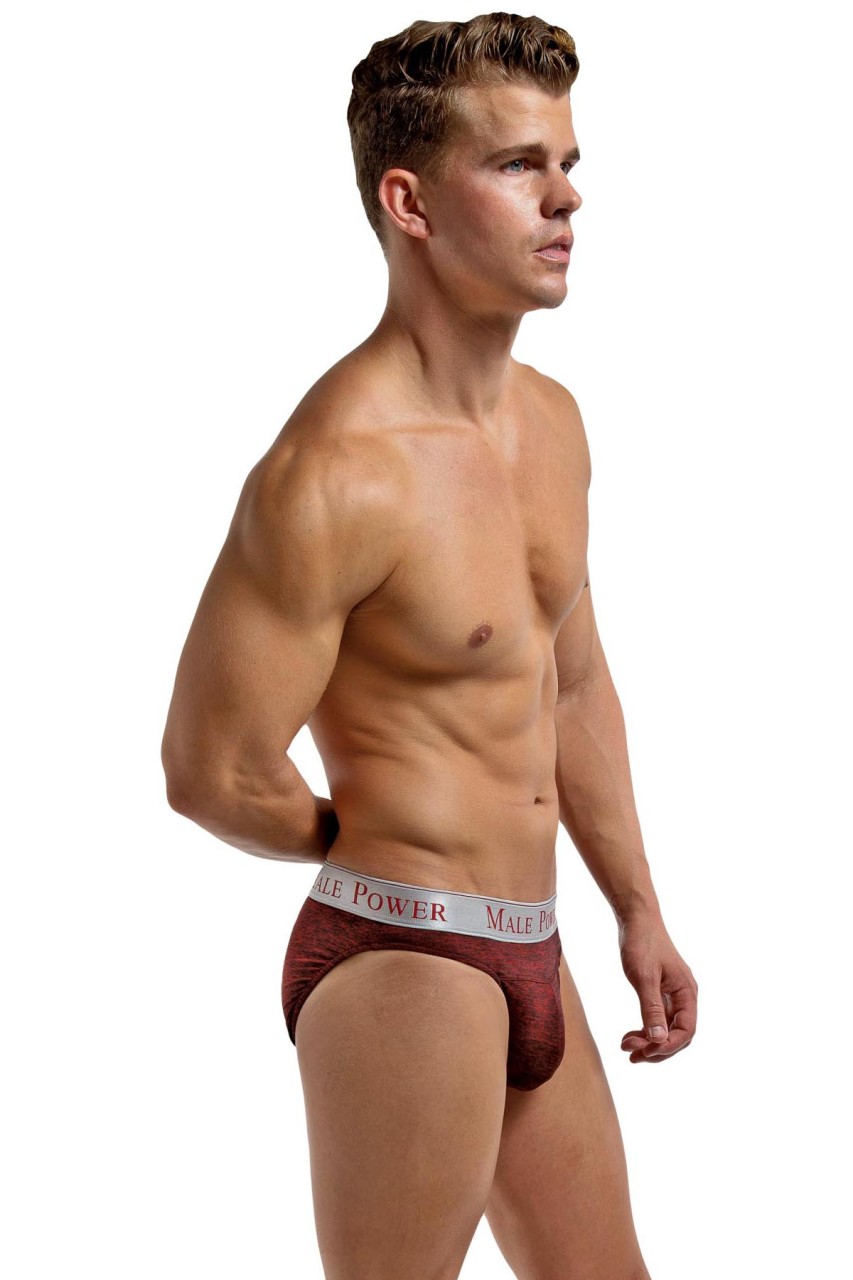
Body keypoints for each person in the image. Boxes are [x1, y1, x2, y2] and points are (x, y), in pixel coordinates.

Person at [161, 13, 698, 1280]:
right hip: (404, 957)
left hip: (535, 938)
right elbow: (210, 768)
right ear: (408, 203)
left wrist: (637, 906)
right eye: (517, 165)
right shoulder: (334, 471)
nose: (565, 198)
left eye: (566, 163)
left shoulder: (553, 426)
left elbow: (571, 680)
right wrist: (377, 845)